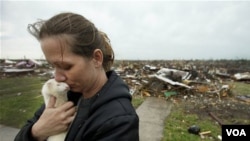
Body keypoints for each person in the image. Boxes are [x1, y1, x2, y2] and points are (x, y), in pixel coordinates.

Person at [15, 12, 139, 141]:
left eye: (66, 66)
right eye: (53, 66)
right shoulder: (63, 96)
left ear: (96, 58)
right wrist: (36, 132)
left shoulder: (120, 122)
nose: (57, 77)